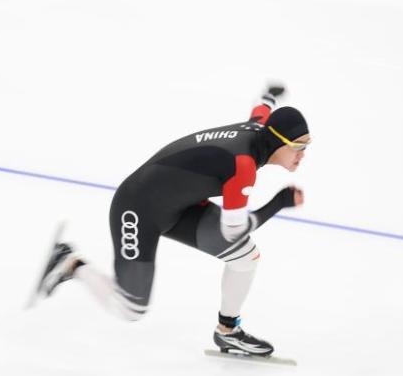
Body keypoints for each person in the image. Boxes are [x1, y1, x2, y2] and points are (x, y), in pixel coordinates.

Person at [34, 84, 310, 356]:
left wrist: (269, 96)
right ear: (277, 142)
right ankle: (70, 262)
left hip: (180, 207)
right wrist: (279, 203)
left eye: (306, 146)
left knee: (245, 258)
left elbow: (261, 111)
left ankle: (228, 331)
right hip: (137, 208)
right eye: (298, 146)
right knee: (131, 308)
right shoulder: (244, 166)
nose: (302, 155)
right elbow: (233, 230)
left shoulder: (260, 130)